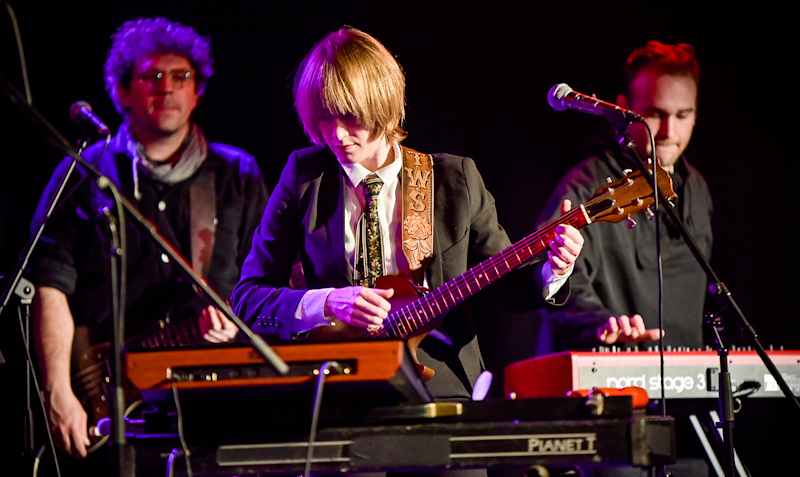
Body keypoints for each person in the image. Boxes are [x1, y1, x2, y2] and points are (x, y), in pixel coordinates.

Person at [231, 26, 584, 406]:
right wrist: (328, 301)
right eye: (323, 118)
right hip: (336, 385)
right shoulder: (305, 175)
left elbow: (505, 288)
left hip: (439, 383)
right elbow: (249, 299)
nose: (336, 134)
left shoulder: (453, 178)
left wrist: (554, 270)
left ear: (382, 105)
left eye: (349, 117)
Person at [25, 17, 269, 471]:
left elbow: (264, 284)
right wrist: (57, 388)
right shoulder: (84, 170)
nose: (167, 89)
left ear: (198, 91)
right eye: (152, 76)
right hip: (109, 404)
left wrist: (240, 325)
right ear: (121, 91)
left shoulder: (237, 174)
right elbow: (49, 284)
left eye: (181, 77)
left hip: (212, 403)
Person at [534, 42, 713, 477]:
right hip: (604, 408)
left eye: (683, 115)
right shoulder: (585, 186)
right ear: (622, 109)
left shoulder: (698, 189)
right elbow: (554, 287)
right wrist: (603, 325)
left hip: (685, 404)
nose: (669, 129)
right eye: (654, 113)